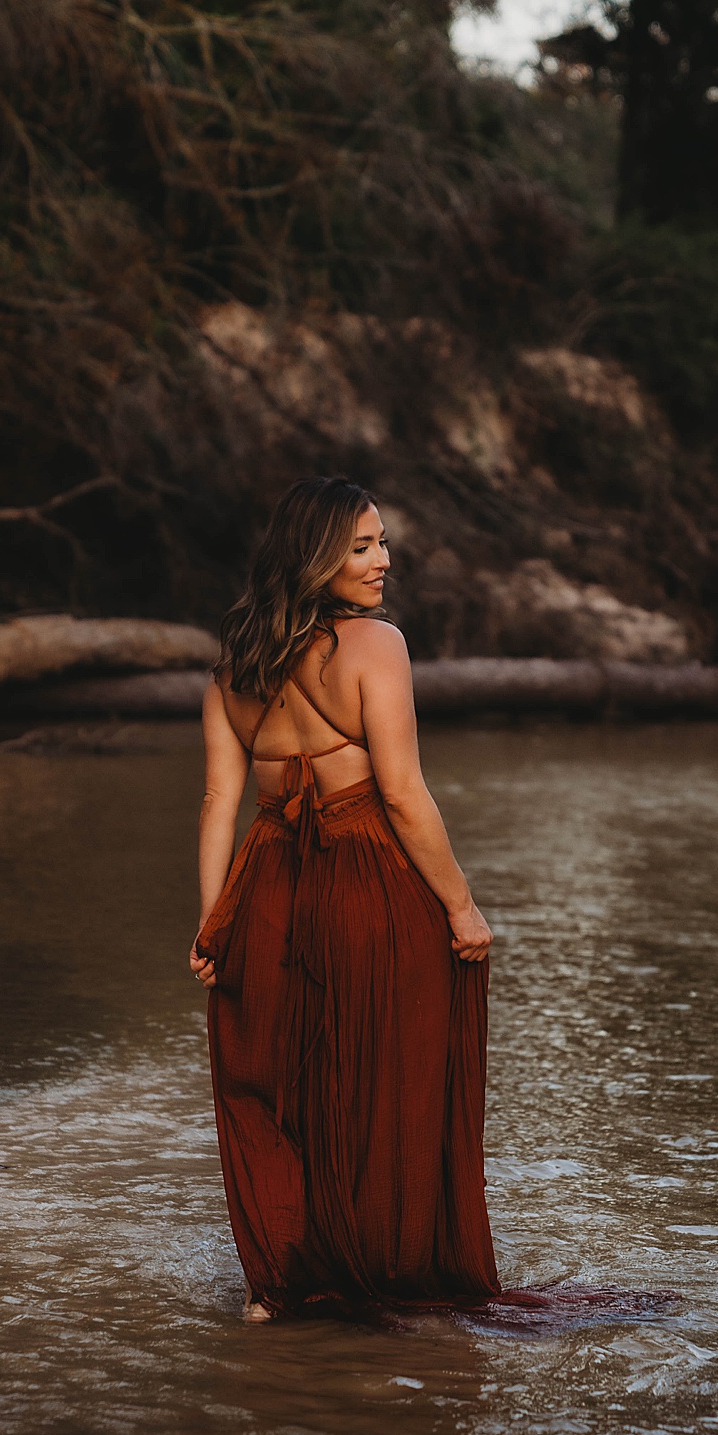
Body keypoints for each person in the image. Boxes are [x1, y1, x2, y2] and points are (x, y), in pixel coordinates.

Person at [190, 476, 501, 1320]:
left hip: (266, 894)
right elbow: (402, 795)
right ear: (316, 555)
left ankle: (276, 1288)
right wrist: (463, 907)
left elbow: (222, 803)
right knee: (378, 1079)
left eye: (382, 543)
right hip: (366, 883)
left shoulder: (233, 669)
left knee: (276, 1085)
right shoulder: (376, 647)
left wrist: (215, 922)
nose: (383, 561)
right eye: (362, 546)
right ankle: (380, 1273)